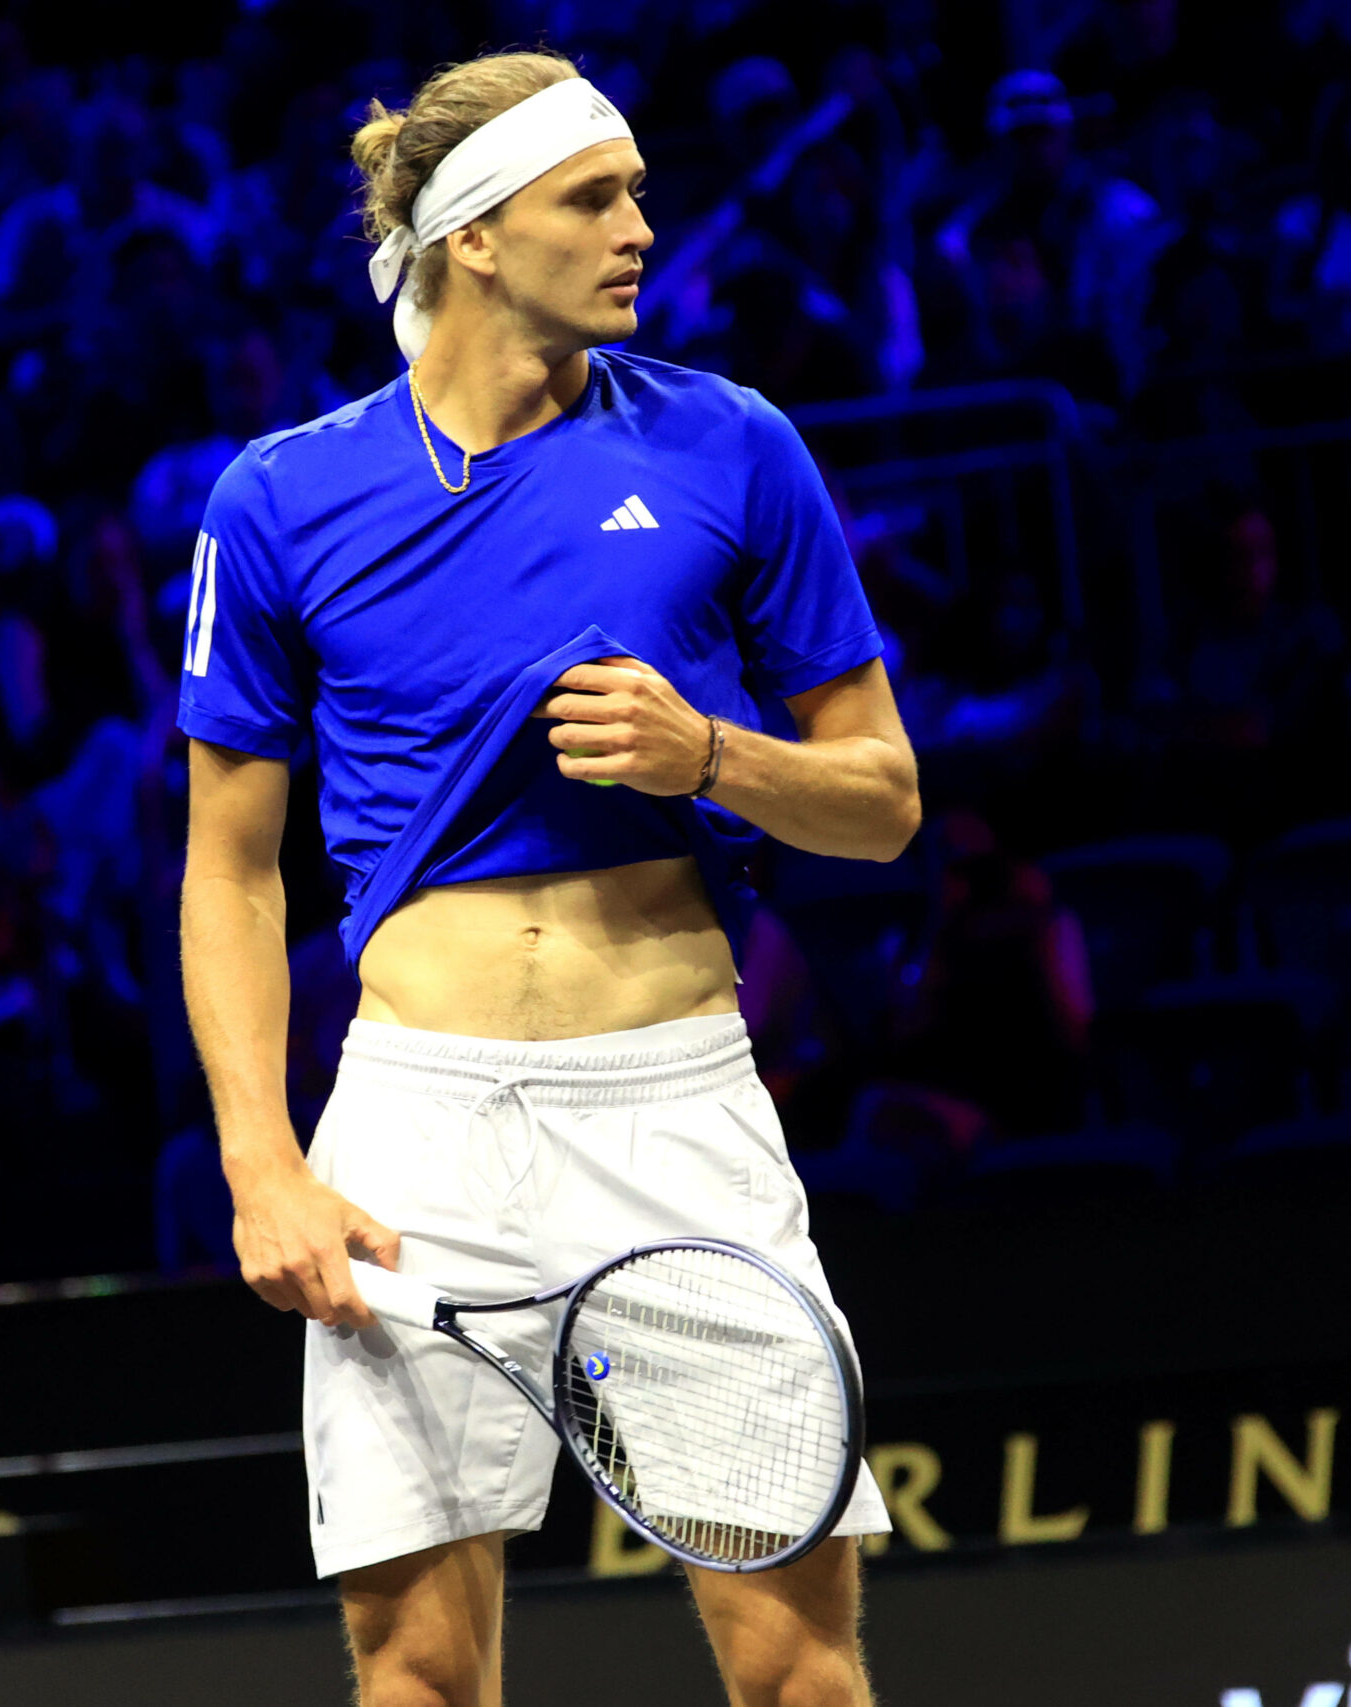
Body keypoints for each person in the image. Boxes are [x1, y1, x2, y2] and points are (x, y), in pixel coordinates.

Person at [176, 51, 914, 1707]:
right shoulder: (283, 498)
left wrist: (708, 754)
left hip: (680, 1109)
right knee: (419, 1674)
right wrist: (260, 1162)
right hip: (415, 1132)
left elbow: (883, 800)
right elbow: (230, 875)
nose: (642, 227)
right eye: (597, 196)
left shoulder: (735, 446)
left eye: (639, 190)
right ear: (476, 239)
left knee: (802, 1667)